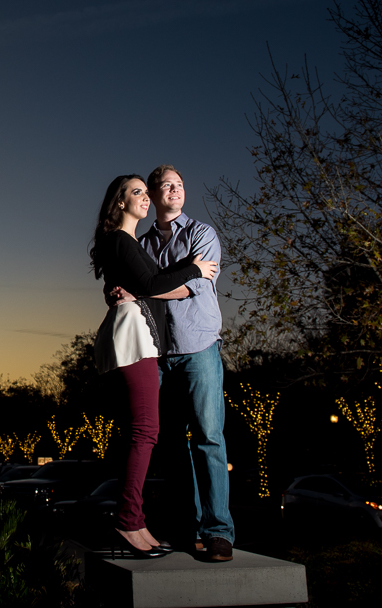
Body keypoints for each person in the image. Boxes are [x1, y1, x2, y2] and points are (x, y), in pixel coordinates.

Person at [89, 174, 218, 558]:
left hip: (146, 335)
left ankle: (136, 521)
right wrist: (194, 268)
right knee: (145, 431)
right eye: (138, 192)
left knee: (143, 431)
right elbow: (153, 281)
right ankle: (129, 522)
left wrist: (157, 284)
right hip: (135, 335)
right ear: (119, 202)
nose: (146, 197)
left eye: (148, 191)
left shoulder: (129, 243)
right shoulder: (121, 240)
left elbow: (160, 284)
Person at [141, 164, 235, 562]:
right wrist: (154, 284)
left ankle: (218, 532)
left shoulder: (202, 233)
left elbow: (193, 286)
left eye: (180, 185)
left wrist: (151, 286)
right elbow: (138, 289)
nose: (176, 190)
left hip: (199, 348)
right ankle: (187, 529)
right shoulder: (142, 244)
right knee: (172, 445)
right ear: (152, 195)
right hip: (160, 354)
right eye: (167, 185)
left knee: (209, 437)